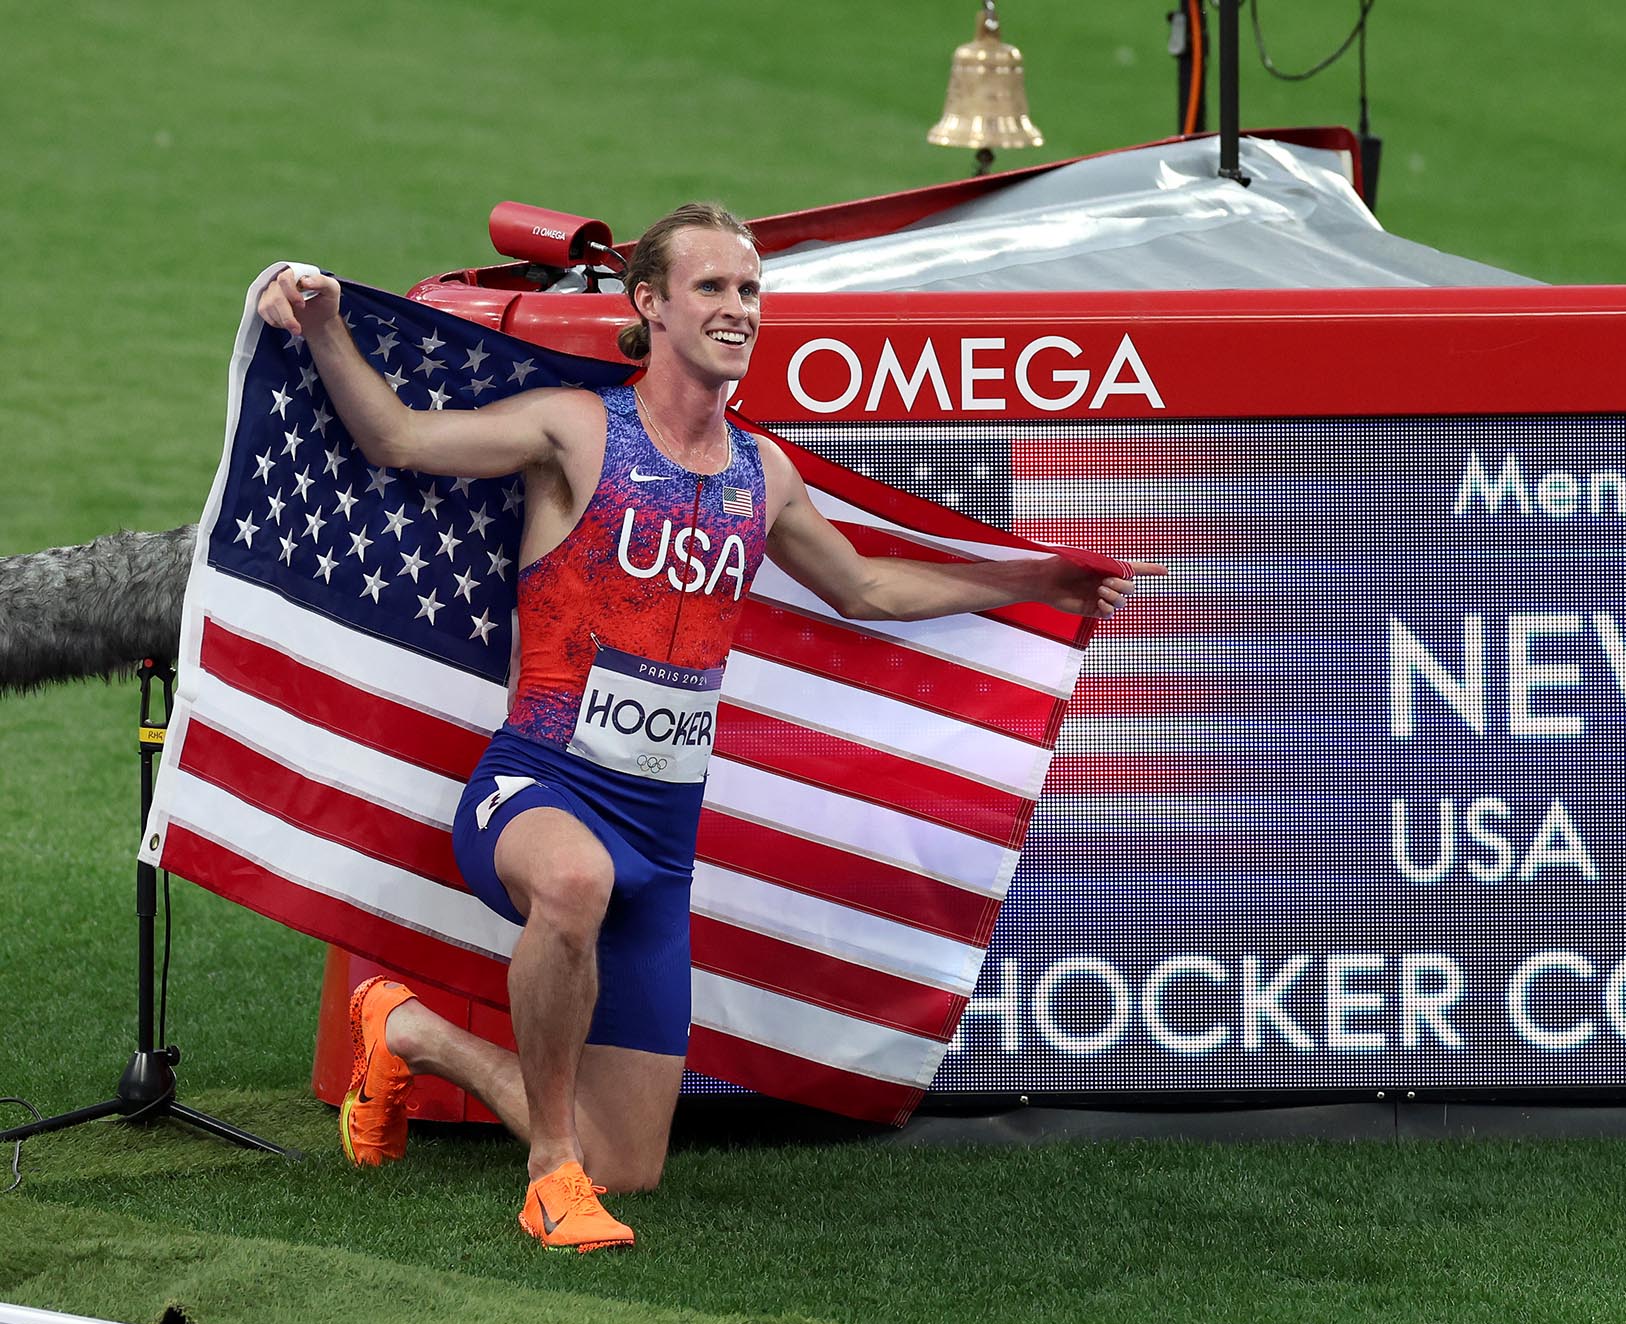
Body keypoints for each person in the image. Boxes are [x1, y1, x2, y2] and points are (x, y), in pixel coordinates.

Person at [256, 203, 1156, 1252]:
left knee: (629, 1164)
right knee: (574, 885)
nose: (738, 309)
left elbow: (862, 588)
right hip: (537, 787)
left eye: (750, 291)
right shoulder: (574, 429)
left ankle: (406, 1031)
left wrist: (1027, 580)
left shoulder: (762, 473)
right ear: (650, 305)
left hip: (659, 838)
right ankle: (548, 1175)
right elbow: (398, 438)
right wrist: (320, 319)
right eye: (713, 289)